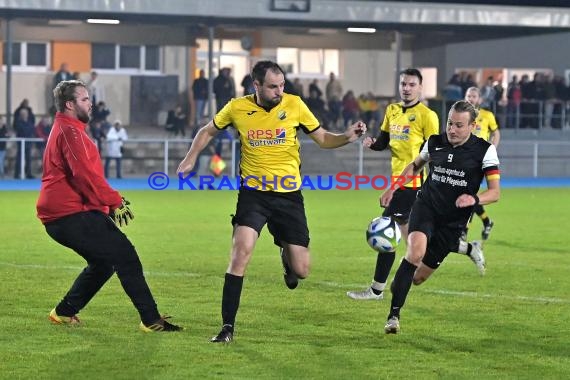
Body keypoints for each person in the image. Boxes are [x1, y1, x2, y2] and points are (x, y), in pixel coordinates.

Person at [176, 60, 366, 343]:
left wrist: (347, 137)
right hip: (253, 195)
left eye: (282, 85)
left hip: (289, 197)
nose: (279, 91)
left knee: (301, 270)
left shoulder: (295, 105)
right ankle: (227, 327)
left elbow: (323, 138)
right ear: (257, 86)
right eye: (273, 86)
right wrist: (189, 157)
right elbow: (207, 131)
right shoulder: (237, 107)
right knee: (240, 253)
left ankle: (286, 257)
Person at [37, 80, 181, 332]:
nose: (90, 103)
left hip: (68, 213)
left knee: (105, 262)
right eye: (84, 99)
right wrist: (114, 201)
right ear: (70, 104)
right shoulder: (70, 132)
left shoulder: (68, 128)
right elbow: (84, 176)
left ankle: (64, 312)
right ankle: (151, 319)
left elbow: (83, 178)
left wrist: (106, 206)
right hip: (68, 213)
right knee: (126, 255)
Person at [382, 100, 500, 334]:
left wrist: (474, 200)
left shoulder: (485, 151)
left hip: (453, 222)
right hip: (426, 208)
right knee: (414, 252)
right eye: (449, 123)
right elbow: (414, 167)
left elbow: (495, 192)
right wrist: (393, 188)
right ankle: (393, 316)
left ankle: (401, 283)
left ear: (472, 126)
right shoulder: (434, 142)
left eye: (458, 125)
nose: (452, 130)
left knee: (417, 278)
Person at [347, 68, 439, 301]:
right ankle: (448, 251)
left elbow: (432, 154)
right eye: (403, 84)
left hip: (412, 184)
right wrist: (371, 143)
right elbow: (384, 142)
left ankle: (377, 290)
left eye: (411, 84)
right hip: (398, 182)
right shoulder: (392, 110)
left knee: (386, 233)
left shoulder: (428, 116)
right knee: (410, 238)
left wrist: (396, 188)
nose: (406, 88)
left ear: (420, 87)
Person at [463, 87, 500, 243]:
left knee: (468, 194)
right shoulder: (461, 116)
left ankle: (463, 232)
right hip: (463, 159)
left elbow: (496, 133)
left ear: (479, 99)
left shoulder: (487, 115)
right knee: (468, 195)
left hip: (478, 162)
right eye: (468, 96)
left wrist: (492, 150)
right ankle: (486, 222)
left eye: (474, 96)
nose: (471, 98)